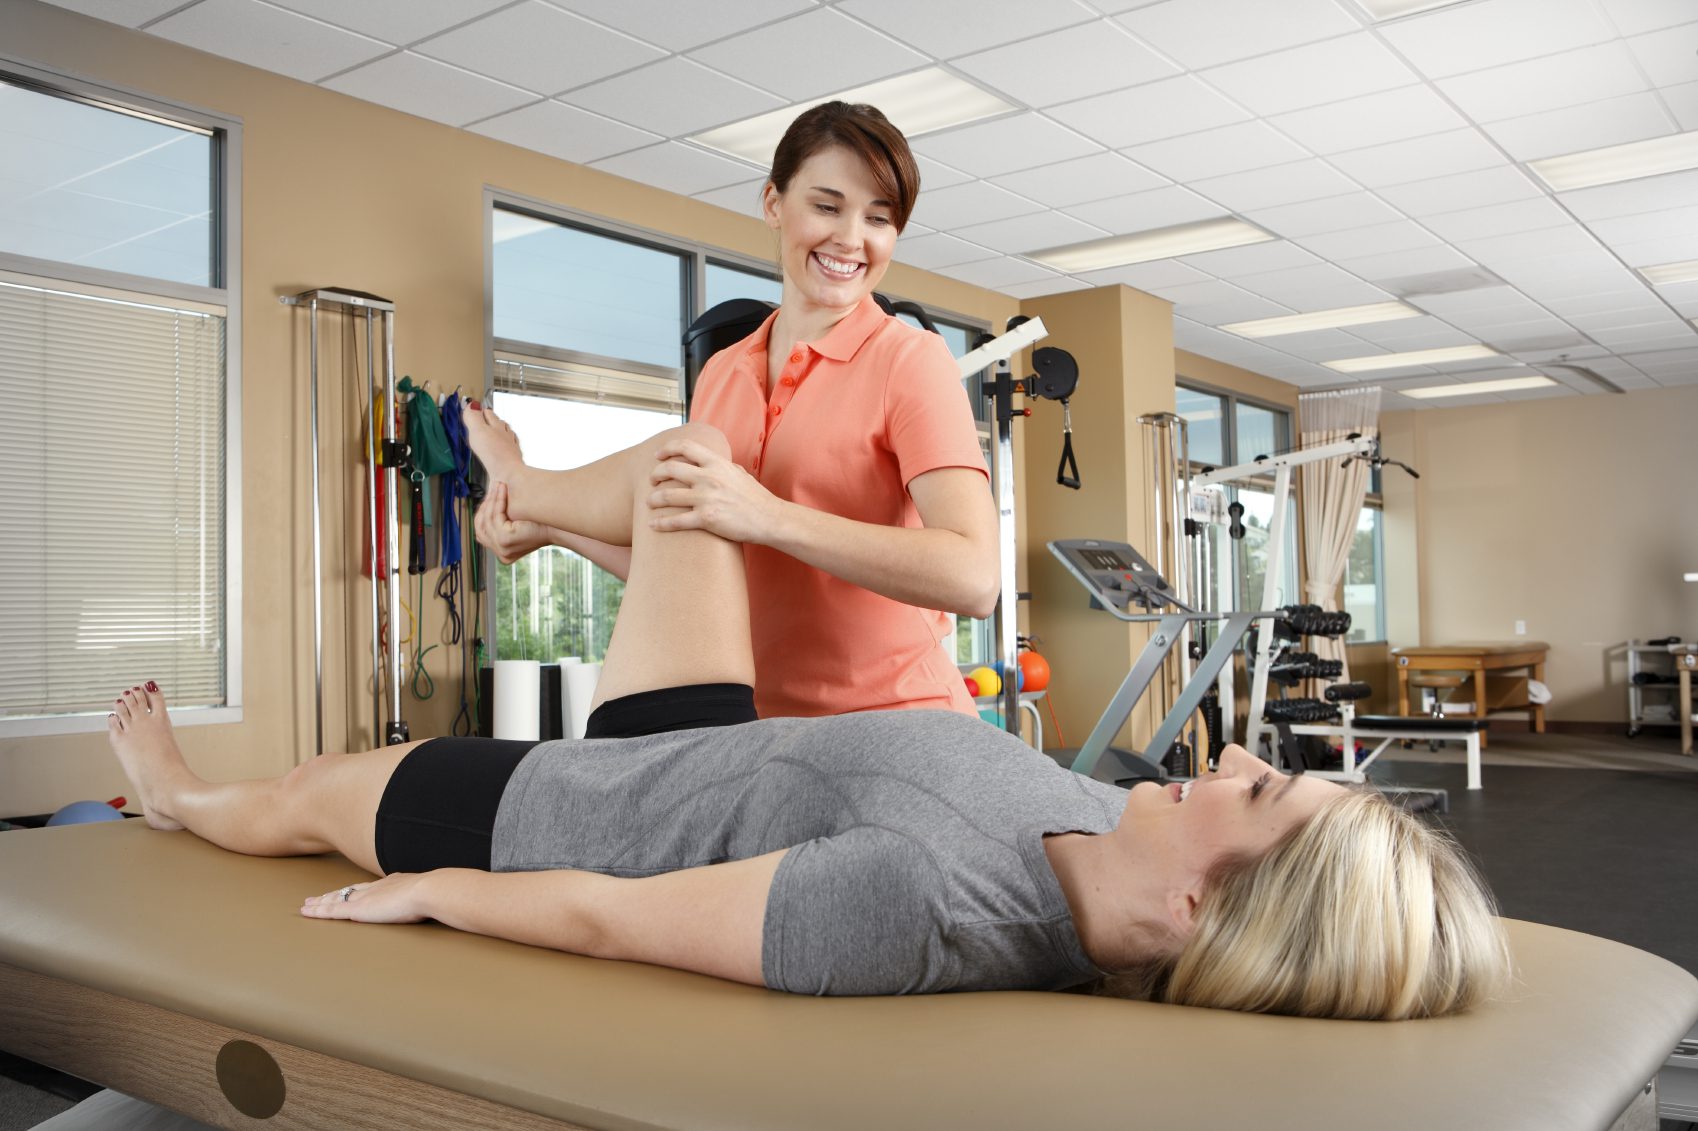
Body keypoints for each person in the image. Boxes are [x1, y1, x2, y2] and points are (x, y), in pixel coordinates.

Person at [104, 419, 1509, 1018]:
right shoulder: (1110, 824)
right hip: (706, 736)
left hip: (565, 805)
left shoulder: (918, 907)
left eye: (1261, 793)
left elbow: (606, 914)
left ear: (1199, 911)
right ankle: (522, 513)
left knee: (303, 790)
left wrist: (442, 890)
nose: (1246, 756)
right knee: (688, 471)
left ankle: (172, 799)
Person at [477, 101, 997, 720]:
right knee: (685, 457)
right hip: (762, 733)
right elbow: (689, 557)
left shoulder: (910, 360)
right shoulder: (724, 371)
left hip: (899, 723)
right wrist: (552, 532)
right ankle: (531, 494)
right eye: (827, 206)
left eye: (878, 219)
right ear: (774, 203)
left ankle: (528, 484)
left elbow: (973, 577)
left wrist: (769, 515)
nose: (851, 239)